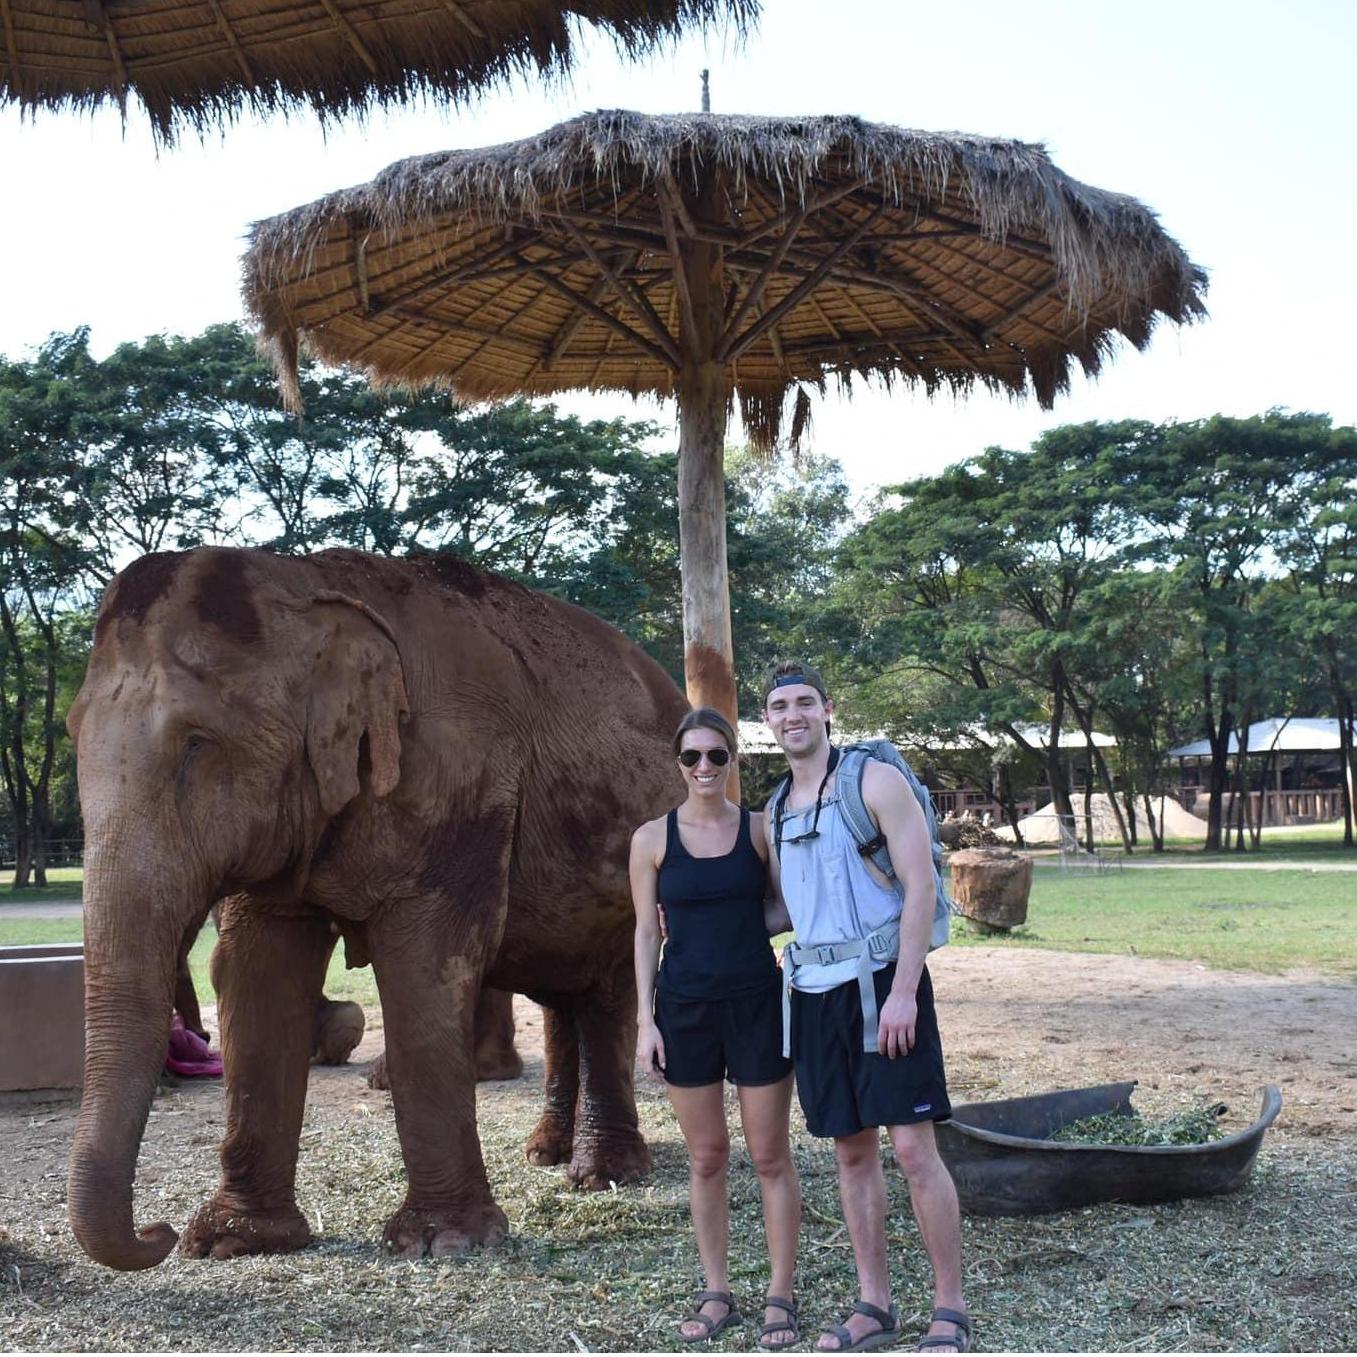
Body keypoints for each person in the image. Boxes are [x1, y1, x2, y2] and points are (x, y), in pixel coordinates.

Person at [761, 661, 971, 1355]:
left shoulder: (872, 781)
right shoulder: (774, 810)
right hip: (814, 994)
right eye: (779, 705)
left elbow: (919, 884)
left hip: (884, 983)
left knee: (911, 1147)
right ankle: (873, 1303)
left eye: (803, 702)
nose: (792, 714)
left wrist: (904, 989)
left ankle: (949, 1306)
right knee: (851, 1151)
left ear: (827, 709)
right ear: (767, 721)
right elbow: (790, 907)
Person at [631, 708, 802, 1350]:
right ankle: (716, 1290)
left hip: (758, 1003)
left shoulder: (760, 830)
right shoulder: (651, 839)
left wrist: (731, 930)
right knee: (706, 1158)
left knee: (769, 1156)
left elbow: (786, 906)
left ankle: (780, 1295)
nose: (705, 767)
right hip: (685, 1011)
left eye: (717, 756)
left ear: (733, 761)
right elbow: (647, 931)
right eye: (692, 757)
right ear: (677, 764)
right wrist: (645, 1021)